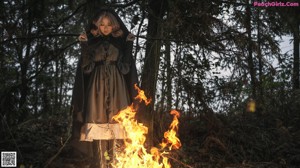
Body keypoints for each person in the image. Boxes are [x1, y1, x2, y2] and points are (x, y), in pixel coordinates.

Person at [69, 8, 138, 168]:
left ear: (114, 26)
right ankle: (99, 164)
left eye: (109, 24)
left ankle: (114, 164)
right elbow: (86, 69)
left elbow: (126, 69)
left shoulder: (121, 44)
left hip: (117, 88)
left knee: (117, 123)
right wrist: (84, 45)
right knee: (97, 123)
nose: (105, 28)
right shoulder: (92, 44)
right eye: (102, 24)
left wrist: (128, 45)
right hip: (96, 88)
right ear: (97, 26)